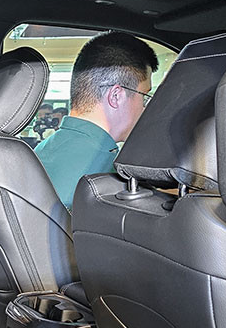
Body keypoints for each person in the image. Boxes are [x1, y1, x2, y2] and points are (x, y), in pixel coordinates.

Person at [33, 32, 158, 209]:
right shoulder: (108, 178)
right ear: (116, 96)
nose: (145, 109)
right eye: (144, 96)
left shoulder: (41, 150)